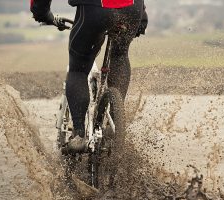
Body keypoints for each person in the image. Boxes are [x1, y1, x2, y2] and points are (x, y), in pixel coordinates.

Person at [30, 0, 147, 152]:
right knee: (119, 55)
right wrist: (142, 16)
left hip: (95, 9)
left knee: (78, 69)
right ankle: (114, 126)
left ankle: (79, 135)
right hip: (131, 8)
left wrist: (42, 13)